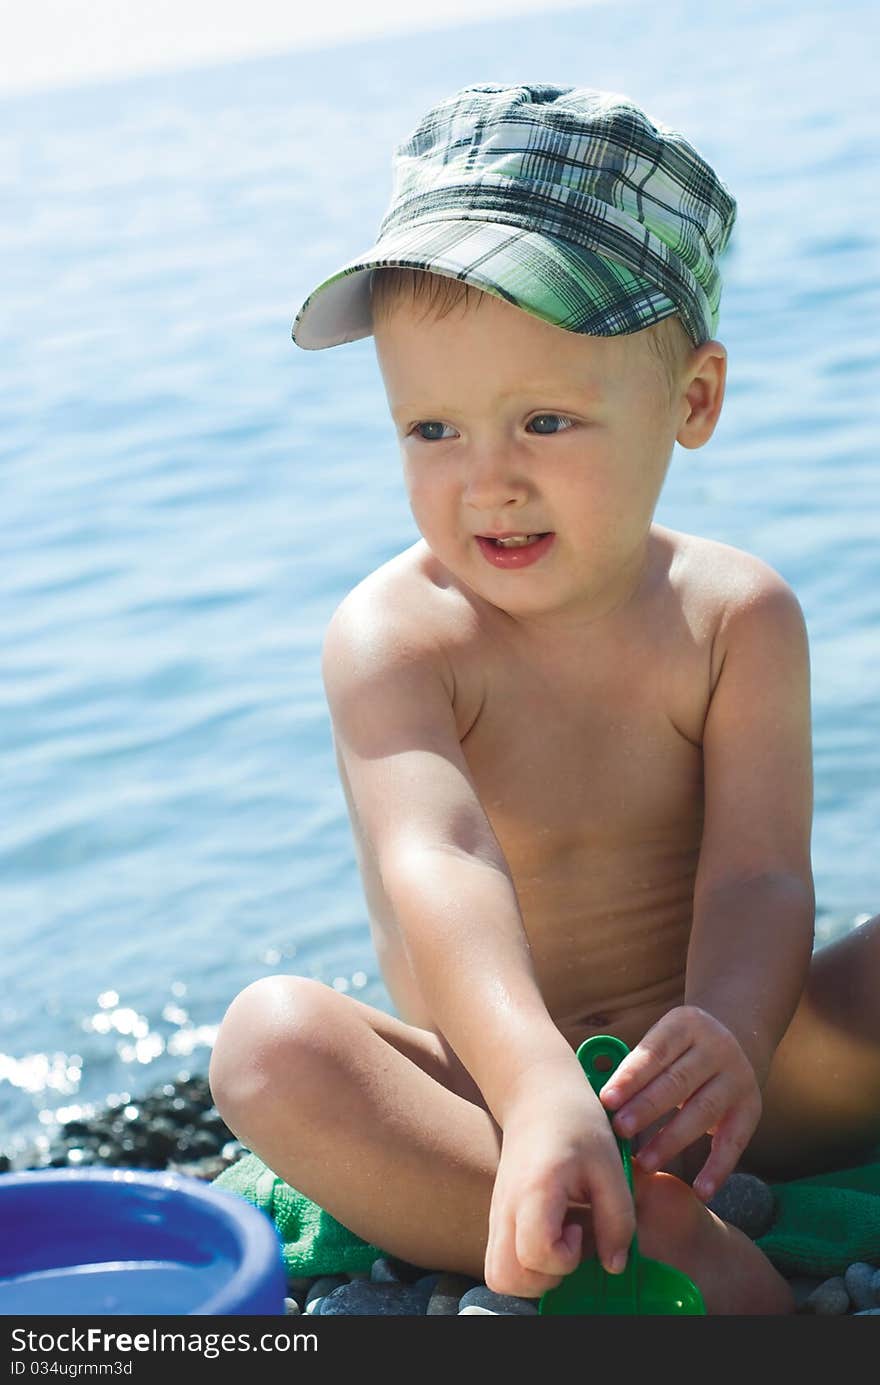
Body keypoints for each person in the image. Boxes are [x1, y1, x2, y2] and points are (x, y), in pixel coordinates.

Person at [208, 83, 880, 1314]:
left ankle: (620, 1221)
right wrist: (533, 1091)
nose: (488, 481)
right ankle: (623, 1239)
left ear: (692, 403)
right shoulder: (396, 636)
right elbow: (440, 864)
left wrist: (727, 1033)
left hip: (739, 1075)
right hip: (495, 1090)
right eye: (431, 429)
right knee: (273, 1046)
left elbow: (758, 876)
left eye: (545, 419)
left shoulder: (736, 615)